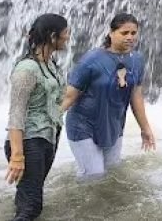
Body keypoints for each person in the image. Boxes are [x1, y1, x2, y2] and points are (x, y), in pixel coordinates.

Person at [60, 13, 156, 181]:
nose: (130, 37)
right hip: (83, 126)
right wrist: (47, 124)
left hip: (114, 126)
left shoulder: (137, 60)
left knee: (112, 175)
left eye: (134, 33)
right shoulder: (91, 61)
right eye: (124, 33)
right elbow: (69, 97)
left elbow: (136, 96)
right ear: (111, 33)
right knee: (93, 176)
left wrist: (145, 128)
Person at [3, 14, 70, 221]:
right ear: (52, 36)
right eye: (65, 33)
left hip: (48, 139)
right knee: (32, 207)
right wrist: (17, 156)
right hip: (28, 142)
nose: (68, 38)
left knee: (27, 200)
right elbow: (16, 113)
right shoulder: (27, 69)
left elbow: (58, 102)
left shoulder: (51, 65)